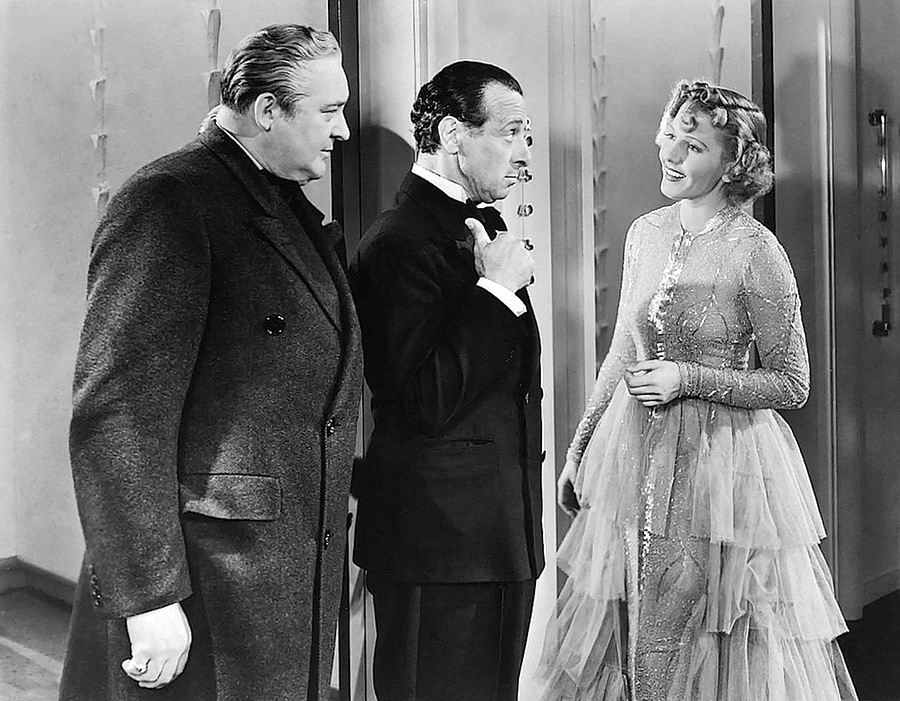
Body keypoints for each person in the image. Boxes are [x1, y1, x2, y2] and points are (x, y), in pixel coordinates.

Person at [60, 24, 362, 701]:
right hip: (208, 585)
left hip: (274, 580)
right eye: (330, 111)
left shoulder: (284, 208)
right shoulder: (170, 200)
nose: (341, 132)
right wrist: (148, 597)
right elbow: (117, 413)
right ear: (267, 110)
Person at [537, 80, 858, 700]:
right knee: (630, 620)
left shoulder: (756, 250)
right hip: (635, 455)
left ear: (733, 164)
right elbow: (623, 350)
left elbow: (792, 383)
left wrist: (687, 378)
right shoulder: (644, 232)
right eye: (670, 135)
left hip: (720, 466)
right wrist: (580, 449)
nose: (672, 153)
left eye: (695, 145)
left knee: (698, 623)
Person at [350, 60, 543, 700]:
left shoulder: (478, 228)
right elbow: (420, 402)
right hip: (436, 547)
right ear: (454, 134)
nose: (524, 154)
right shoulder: (397, 242)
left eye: (526, 136)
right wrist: (496, 293)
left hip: (496, 538)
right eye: (510, 133)